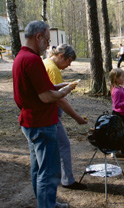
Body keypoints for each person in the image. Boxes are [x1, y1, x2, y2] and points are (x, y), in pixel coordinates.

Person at [12, 20, 74, 208]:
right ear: (38, 36)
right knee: (48, 171)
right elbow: (46, 97)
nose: (48, 45)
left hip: (30, 122)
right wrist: (63, 92)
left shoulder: (21, 57)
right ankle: (46, 205)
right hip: (41, 124)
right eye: (47, 40)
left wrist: (57, 86)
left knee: (38, 169)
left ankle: (47, 203)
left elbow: (37, 90)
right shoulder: (32, 60)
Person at [44, 44, 88, 190]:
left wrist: (65, 88)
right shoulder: (53, 69)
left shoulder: (46, 63)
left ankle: (61, 178)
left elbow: (55, 90)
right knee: (63, 146)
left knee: (54, 149)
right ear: (61, 56)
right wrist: (77, 118)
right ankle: (67, 180)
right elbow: (59, 100)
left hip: (46, 115)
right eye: (69, 60)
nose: (69, 65)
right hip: (50, 115)